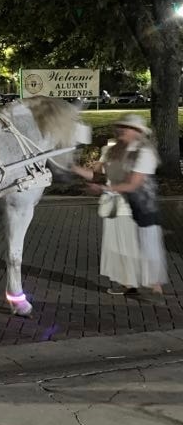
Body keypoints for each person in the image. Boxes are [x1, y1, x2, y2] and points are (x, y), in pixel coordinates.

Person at [71, 113, 168, 297]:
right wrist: (74, 168)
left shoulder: (144, 153)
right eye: (120, 126)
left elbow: (133, 184)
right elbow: (97, 175)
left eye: (127, 127)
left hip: (136, 207)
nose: (121, 130)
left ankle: (155, 288)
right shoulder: (110, 150)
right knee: (118, 248)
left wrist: (102, 189)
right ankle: (128, 283)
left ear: (138, 132)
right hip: (113, 205)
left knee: (139, 246)